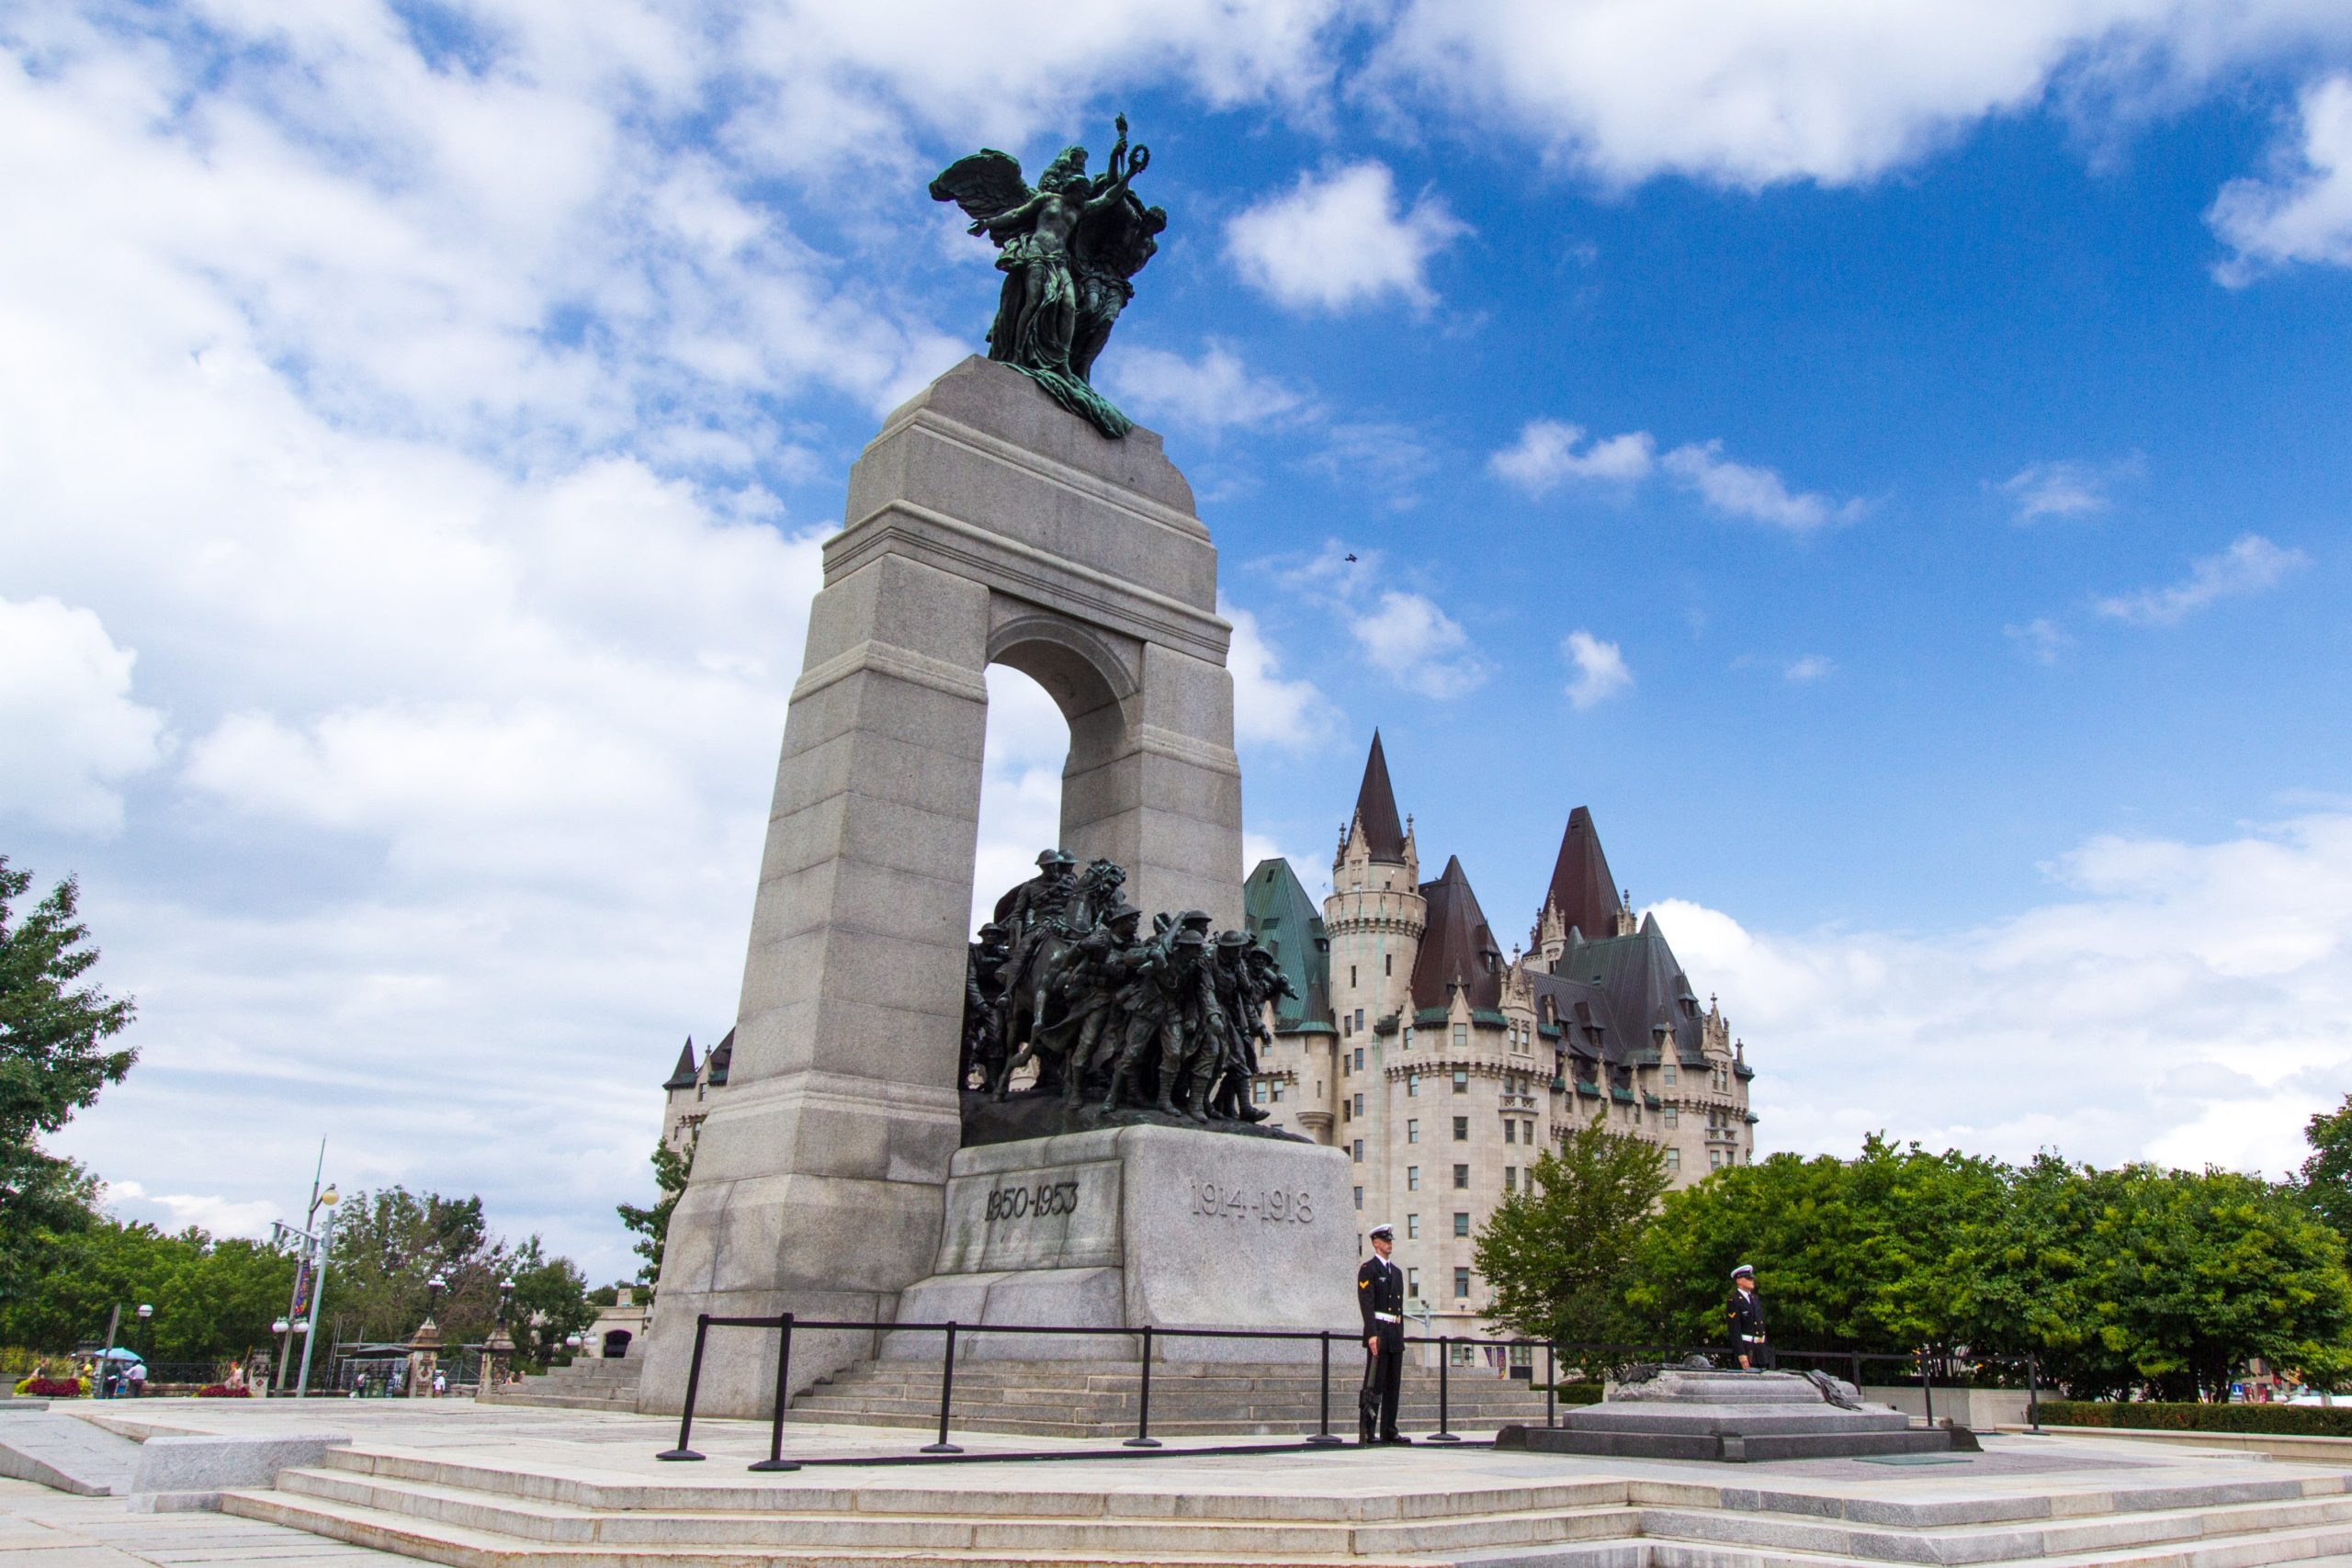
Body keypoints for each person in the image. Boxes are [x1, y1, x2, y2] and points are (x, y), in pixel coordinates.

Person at [1358, 1222, 1409, 1444]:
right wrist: (1371, 1334)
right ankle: (1368, 1429)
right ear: (1375, 1243)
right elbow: (1366, 1304)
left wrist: (1400, 1333)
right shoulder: (1368, 1270)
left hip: (1395, 1332)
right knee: (1374, 1383)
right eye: (1385, 1241)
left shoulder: (1396, 1273)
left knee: (1393, 1384)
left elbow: (1399, 1307)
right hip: (1379, 1331)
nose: (1389, 1244)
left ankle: (1389, 1428)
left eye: (1390, 1241)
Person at [1727, 1263, 1770, 1370]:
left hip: (1760, 1351)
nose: (1752, 1281)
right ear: (1739, 1281)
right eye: (1748, 1278)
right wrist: (1741, 1353)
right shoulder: (1734, 1300)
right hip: (1747, 1351)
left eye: (1752, 1278)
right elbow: (1734, 1330)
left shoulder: (1755, 1299)